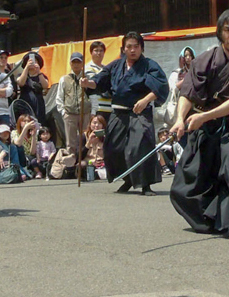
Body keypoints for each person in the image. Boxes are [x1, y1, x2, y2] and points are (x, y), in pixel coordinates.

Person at [169, 8, 229, 239]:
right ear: (220, 33)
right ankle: (212, 220)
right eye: (228, 30)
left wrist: (204, 116)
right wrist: (180, 119)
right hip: (205, 128)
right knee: (186, 180)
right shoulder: (205, 60)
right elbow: (188, 92)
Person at [81, 31, 168, 195]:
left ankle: (145, 184)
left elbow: (160, 86)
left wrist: (145, 100)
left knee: (139, 146)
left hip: (139, 112)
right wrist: (87, 83)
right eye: (129, 47)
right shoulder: (115, 66)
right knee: (112, 147)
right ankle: (127, 179)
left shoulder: (149, 65)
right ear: (123, 49)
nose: (133, 50)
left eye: (136, 46)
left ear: (142, 48)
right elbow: (99, 82)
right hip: (119, 113)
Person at [55, 52, 91, 152]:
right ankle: (71, 165)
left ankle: (84, 162)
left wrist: (93, 112)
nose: (76, 64)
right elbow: (59, 97)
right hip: (69, 114)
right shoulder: (64, 79)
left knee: (86, 140)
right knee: (71, 143)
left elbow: (93, 96)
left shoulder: (87, 78)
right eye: (74, 62)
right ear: (70, 64)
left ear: (82, 63)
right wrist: (63, 112)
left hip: (85, 113)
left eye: (78, 62)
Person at [15, 51, 49, 125]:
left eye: (35, 61)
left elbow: (45, 85)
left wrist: (39, 72)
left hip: (38, 105)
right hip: (25, 104)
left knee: (39, 123)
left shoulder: (41, 76)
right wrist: (27, 68)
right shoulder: (21, 75)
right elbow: (20, 83)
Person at [86, 41, 112, 117]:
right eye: (96, 50)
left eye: (101, 51)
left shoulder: (106, 68)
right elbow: (95, 84)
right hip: (95, 106)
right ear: (91, 52)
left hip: (108, 105)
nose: (99, 53)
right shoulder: (87, 67)